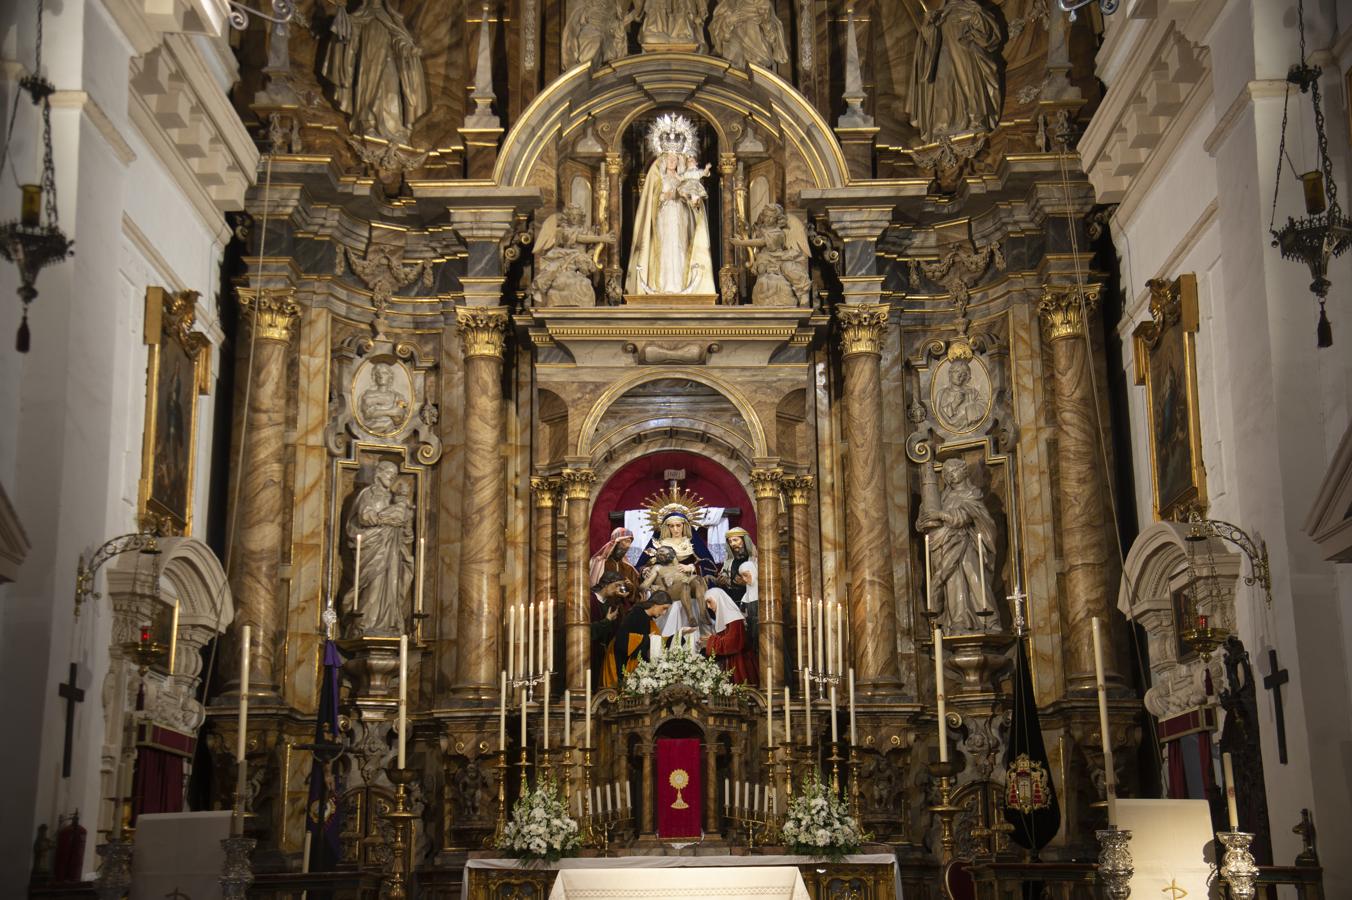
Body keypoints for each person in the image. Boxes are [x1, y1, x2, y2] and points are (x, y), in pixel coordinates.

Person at [701, 588, 759, 685]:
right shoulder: (726, 617)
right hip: (730, 661)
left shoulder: (734, 616)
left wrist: (711, 640)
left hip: (740, 663)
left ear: (718, 599)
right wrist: (712, 640)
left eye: (709, 602)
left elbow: (734, 643)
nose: (708, 606)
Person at [614, 592, 673, 682]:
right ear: (655, 604)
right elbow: (621, 639)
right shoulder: (636, 614)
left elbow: (657, 639)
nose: (664, 613)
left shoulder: (648, 618)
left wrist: (678, 636)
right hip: (620, 663)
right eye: (664, 608)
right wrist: (645, 639)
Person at [590, 572, 631, 687]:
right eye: (617, 585)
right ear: (606, 583)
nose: (618, 589)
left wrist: (624, 599)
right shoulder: (590, 599)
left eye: (621, 586)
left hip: (605, 652)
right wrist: (606, 621)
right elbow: (586, 630)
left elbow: (622, 624)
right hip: (590, 651)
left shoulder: (612, 603)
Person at [590, 526, 641, 604]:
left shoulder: (629, 568)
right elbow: (593, 587)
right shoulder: (600, 563)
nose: (628, 546)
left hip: (623, 608)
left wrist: (631, 588)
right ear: (615, 542)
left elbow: (637, 595)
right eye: (626, 541)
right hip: (601, 606)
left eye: (630, 542)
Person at [716, 526, 757, 603]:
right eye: (730, 541)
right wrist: (720, 582)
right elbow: (725, 580)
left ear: (744, 540)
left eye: (735, 540)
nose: (733, 544)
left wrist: (746, 583)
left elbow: (762, 583)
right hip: (732, 601)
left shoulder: (755, 560)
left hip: (750, 600)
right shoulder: (728, 562)